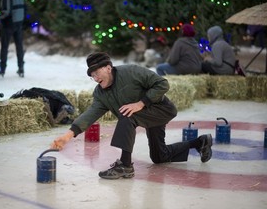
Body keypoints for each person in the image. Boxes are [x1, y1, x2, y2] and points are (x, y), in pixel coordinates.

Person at [50, 52, 213, 180]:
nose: (95, 77)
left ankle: (125, 165)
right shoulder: (100, 93)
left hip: (160, 109)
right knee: (159, 157)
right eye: (92, 75)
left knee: (127, 116)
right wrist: (68, 135)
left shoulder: (131, 72)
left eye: (97, 72)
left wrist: (140, 103)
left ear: (108, 67)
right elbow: (91, 114)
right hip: (144, 115)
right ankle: (200, 142)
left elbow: (163, 84)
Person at [0, 0, 25, 77]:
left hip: (8, 24)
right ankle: (21, 68)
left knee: (4, 46)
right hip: (19, 23)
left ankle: (2, 69)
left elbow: (6, 11)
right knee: (19, 46)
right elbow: (24, 8)